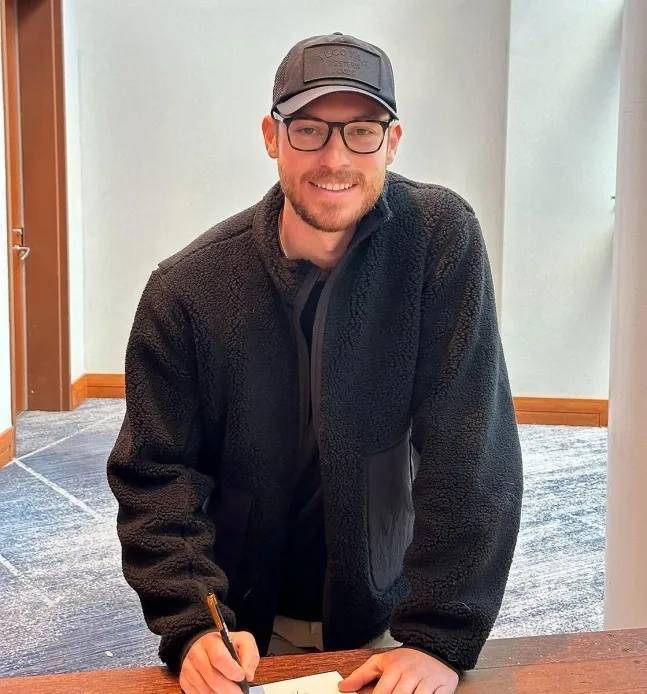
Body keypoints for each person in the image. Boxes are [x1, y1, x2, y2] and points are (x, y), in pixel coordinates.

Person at [107, 31, 523, 694]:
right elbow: (156, 475)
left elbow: (471, 447)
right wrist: (194, 624)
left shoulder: (437, 240)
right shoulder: (188, 291)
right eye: (307, 130)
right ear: (271, 137)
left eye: (361, 131)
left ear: (392, 141)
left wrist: (437, 636)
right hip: (240, 624)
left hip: (386, 614)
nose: (334, 158)